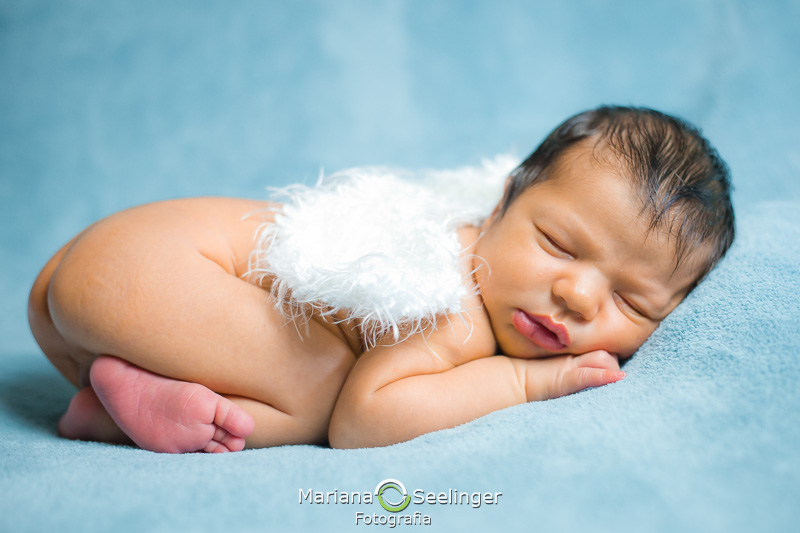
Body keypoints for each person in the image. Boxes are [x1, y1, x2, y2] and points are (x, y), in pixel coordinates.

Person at [27, 106, 735, 452]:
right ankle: (130, 407)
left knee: (296, 350)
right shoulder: (452, 299)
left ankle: (116, 392)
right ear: (498, 206)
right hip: (149, 272)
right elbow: (365, 420)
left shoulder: (484, 252)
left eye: (630, 300)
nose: (578, 296)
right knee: (327, 384)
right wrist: (528, 381)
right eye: (556, 243)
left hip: (76, 288)